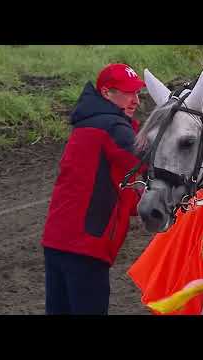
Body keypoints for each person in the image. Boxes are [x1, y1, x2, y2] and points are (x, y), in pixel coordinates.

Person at [41, 63, 145, 314]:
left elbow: (112, 180)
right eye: (128, 93)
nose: (136, 101)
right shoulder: (115, 129)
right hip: (86, 246)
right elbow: (147, 167)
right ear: (106, 93)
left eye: (138, 93)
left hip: (55, 241)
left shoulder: (84, 124)